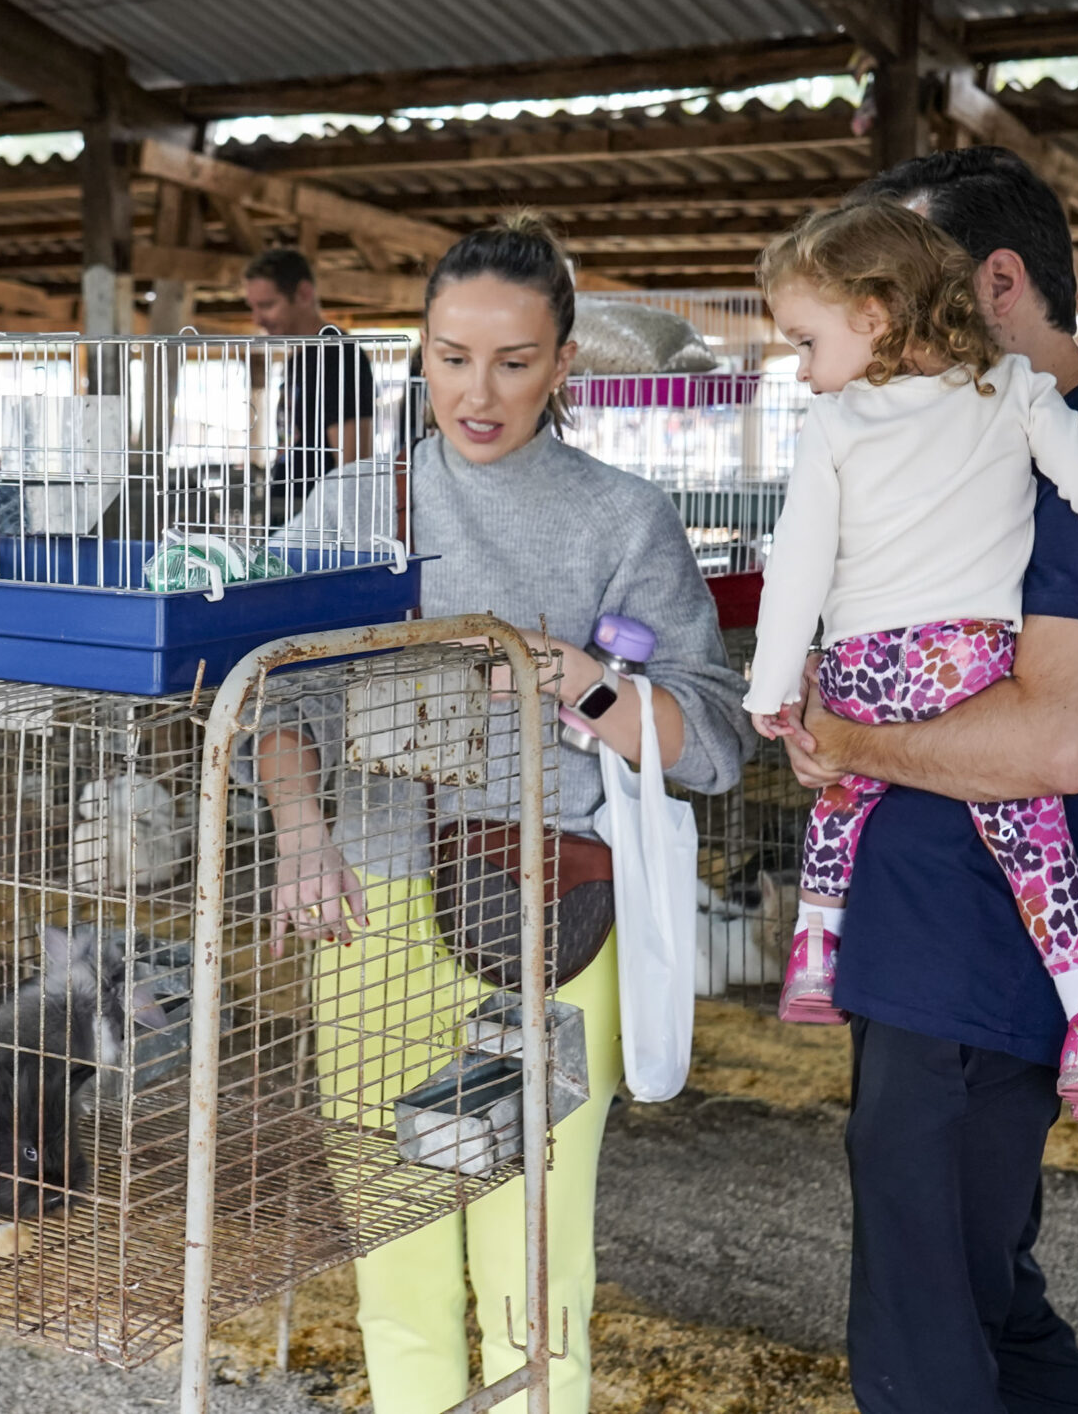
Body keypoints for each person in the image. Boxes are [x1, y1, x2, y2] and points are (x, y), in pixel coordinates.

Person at [254, 214, 751, 1414]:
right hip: (367, 903)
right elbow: (270, 690)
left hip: (550, 909)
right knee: (395, 1243)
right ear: (418, 354)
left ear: (563, 362)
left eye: (514, 361)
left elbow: (712, 743)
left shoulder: (622, 517)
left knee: (534, 1252)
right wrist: (300, 829)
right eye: (451, 356)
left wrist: (577, 677)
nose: (477, 392)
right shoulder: (353, 504)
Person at [778, 148, 1078, 1413]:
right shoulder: (956, 435)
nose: (872, 321)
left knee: (925, 1344)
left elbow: (1058, 740)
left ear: (996, 282)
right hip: (932, 939)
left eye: (892, 284)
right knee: (982, 1306)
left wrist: (847, 738)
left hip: (981, 950)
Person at [745, 200, 1078, 1128]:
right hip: (968, 663)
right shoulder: (1016, 392)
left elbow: (798, 563)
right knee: (1036, 845)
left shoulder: (834, 425)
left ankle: (816, 947)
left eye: (805, 342)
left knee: (841, 794)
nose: (801, 367)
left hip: (863, 665)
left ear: (873, 314)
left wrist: (774, 687)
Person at [243, 248, 378, 510]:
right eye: (253, 307)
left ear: (304, 294)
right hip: (292, 512)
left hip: (319, 519)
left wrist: (336, 519)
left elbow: (352, 465)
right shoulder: (299, 358)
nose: (257, 318)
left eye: (267, 305)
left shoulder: (337, 354)